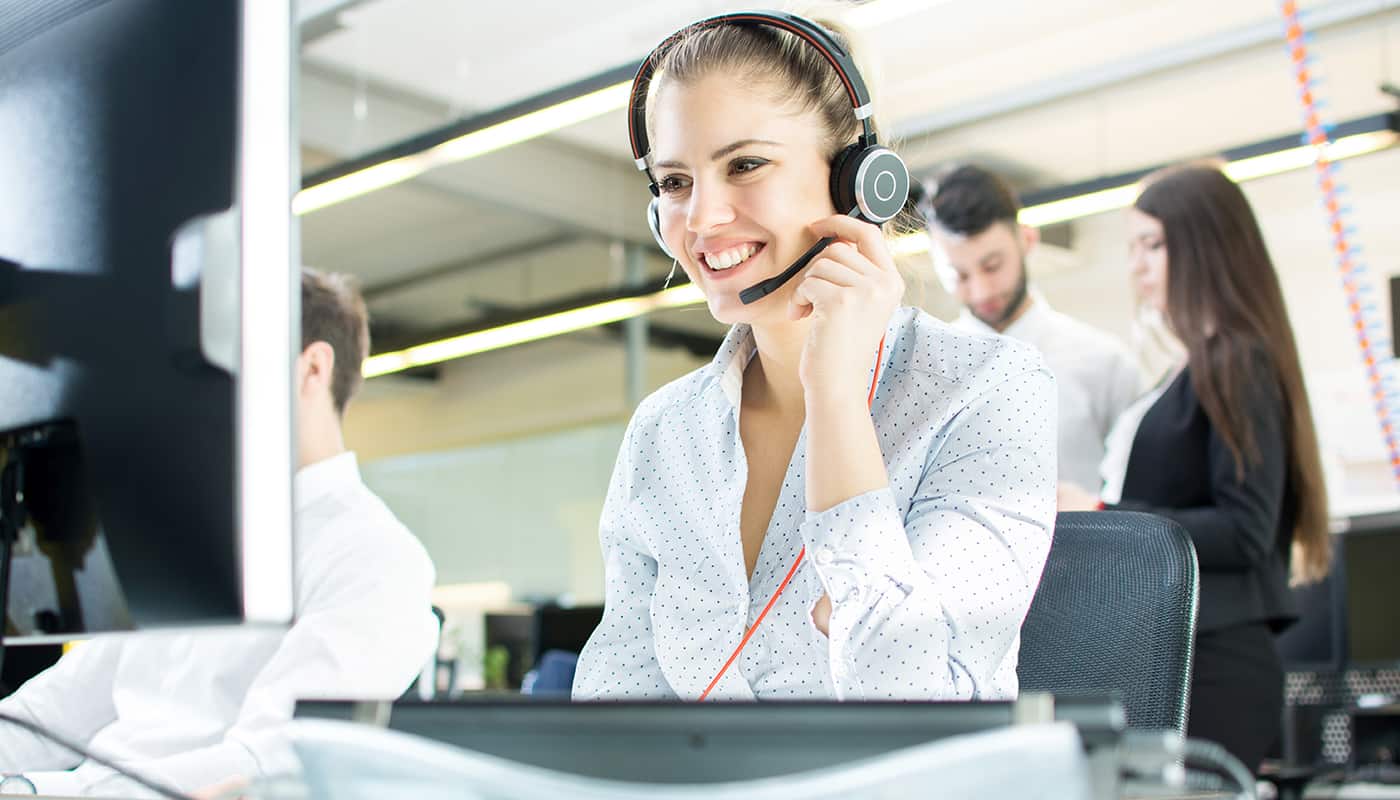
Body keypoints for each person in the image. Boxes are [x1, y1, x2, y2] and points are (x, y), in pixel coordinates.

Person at [572, 12, 1056, 702]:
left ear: (858, 181)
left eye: (745, 164)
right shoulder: (664, 433)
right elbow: (614, 706)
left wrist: (834, 395)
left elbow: (913, 708)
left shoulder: (989, 391)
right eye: (675, 182)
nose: (703, 218)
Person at [0, 268, 439, 796]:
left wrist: (37, 793)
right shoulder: (183, 545)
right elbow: (51, 712)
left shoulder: (378, 558)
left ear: (312, 368)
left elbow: (266, 762)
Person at [1058, 163, 1331, 770]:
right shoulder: (1197, 368)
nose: (1137, 268)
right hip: (1178, 654)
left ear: (1206, 247)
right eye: (1134, 248)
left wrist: (1102, 514)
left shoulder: (1237, 360)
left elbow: (1245, 529)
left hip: (1215, 662)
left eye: (1153, 246)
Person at [925, 164, 1143, 490]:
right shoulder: (925, 371)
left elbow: (1137, 495)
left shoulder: (1106, 363)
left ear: (1027, 240)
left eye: (993, 266)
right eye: (959, 275)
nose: (982, 291)